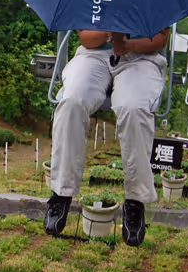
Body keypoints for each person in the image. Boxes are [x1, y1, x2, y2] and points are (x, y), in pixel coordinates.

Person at [45, 28, 168, 245]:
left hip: (140, 59)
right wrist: (111, 32)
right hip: (94, 57)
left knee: (133, 109)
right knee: (72, 102)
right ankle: (61, 192)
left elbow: (160, 38)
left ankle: (135, 201)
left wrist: (128, 45)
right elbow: (86, 38)